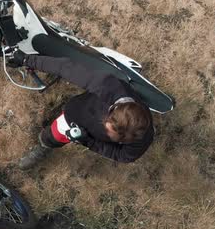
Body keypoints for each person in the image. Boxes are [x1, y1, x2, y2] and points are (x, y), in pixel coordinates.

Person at [8, 51, 154, 168]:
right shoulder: (108, 87)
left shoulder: (142, 139)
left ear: (125, 140)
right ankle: (45, 144)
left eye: (111, 136)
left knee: (58, 135)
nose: (104, 129)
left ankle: (46, 145)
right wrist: (28, 60)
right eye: (107, 126)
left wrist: (89, 142)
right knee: (51, 135)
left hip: (81, 132)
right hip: (76, 113)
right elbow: (66, 67)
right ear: (113, 110)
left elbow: (122, 156)